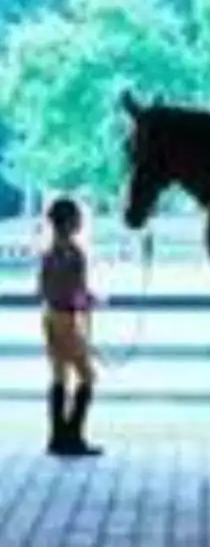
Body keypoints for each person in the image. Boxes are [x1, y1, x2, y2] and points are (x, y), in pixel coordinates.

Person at [38, 196, 101, 458]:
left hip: (51, 317)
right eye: (77, 217)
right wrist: (89, 300)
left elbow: (44, 288)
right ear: (68, 222)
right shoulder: (73, 253)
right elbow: (74, 292)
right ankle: (71, 436)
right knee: (87, 376)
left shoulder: (50, 252)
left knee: (59, 376)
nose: (80, 221)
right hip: (64, 319)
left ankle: (58, 436)